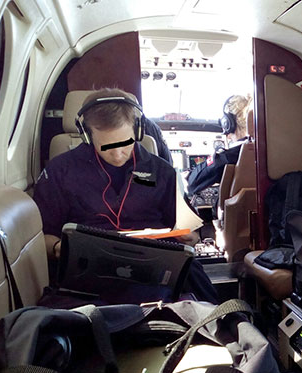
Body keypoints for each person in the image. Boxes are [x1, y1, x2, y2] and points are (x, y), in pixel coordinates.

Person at [33, 87, 217, 303]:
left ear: (137, 131)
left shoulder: (162, 172)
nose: (118, 153)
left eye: (125, 143)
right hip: (89, 272)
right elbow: (42, 238)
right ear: (87, 135)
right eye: (107, 146)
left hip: (154, 267)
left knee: (194, 275)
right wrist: (58, 248)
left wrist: (189, 237)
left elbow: (189, 233)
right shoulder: (59, 172)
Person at [185, 94, 252, 197]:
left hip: (234, 212)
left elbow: (191, 183)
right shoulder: (270, 150)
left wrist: (187, 175)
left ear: (228, 124)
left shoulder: (227, 157)